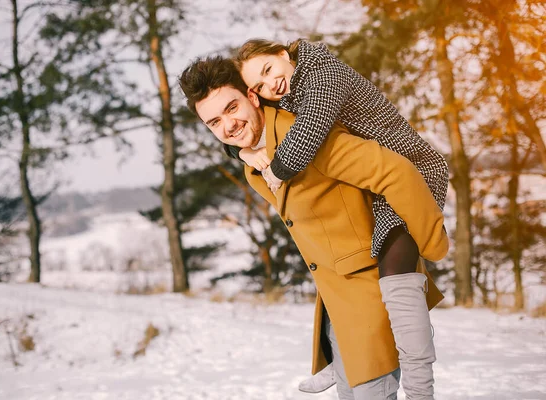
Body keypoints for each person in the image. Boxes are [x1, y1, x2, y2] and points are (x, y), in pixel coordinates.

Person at [178, 55, 448, 400]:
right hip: (339, 310)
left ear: (253, 96)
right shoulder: (255, 152)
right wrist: (241, 153)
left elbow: (397, 172)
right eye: (214, 122)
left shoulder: (305, 138)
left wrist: (430, 243)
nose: (227, 126)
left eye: (232, 108)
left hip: (373, 300)